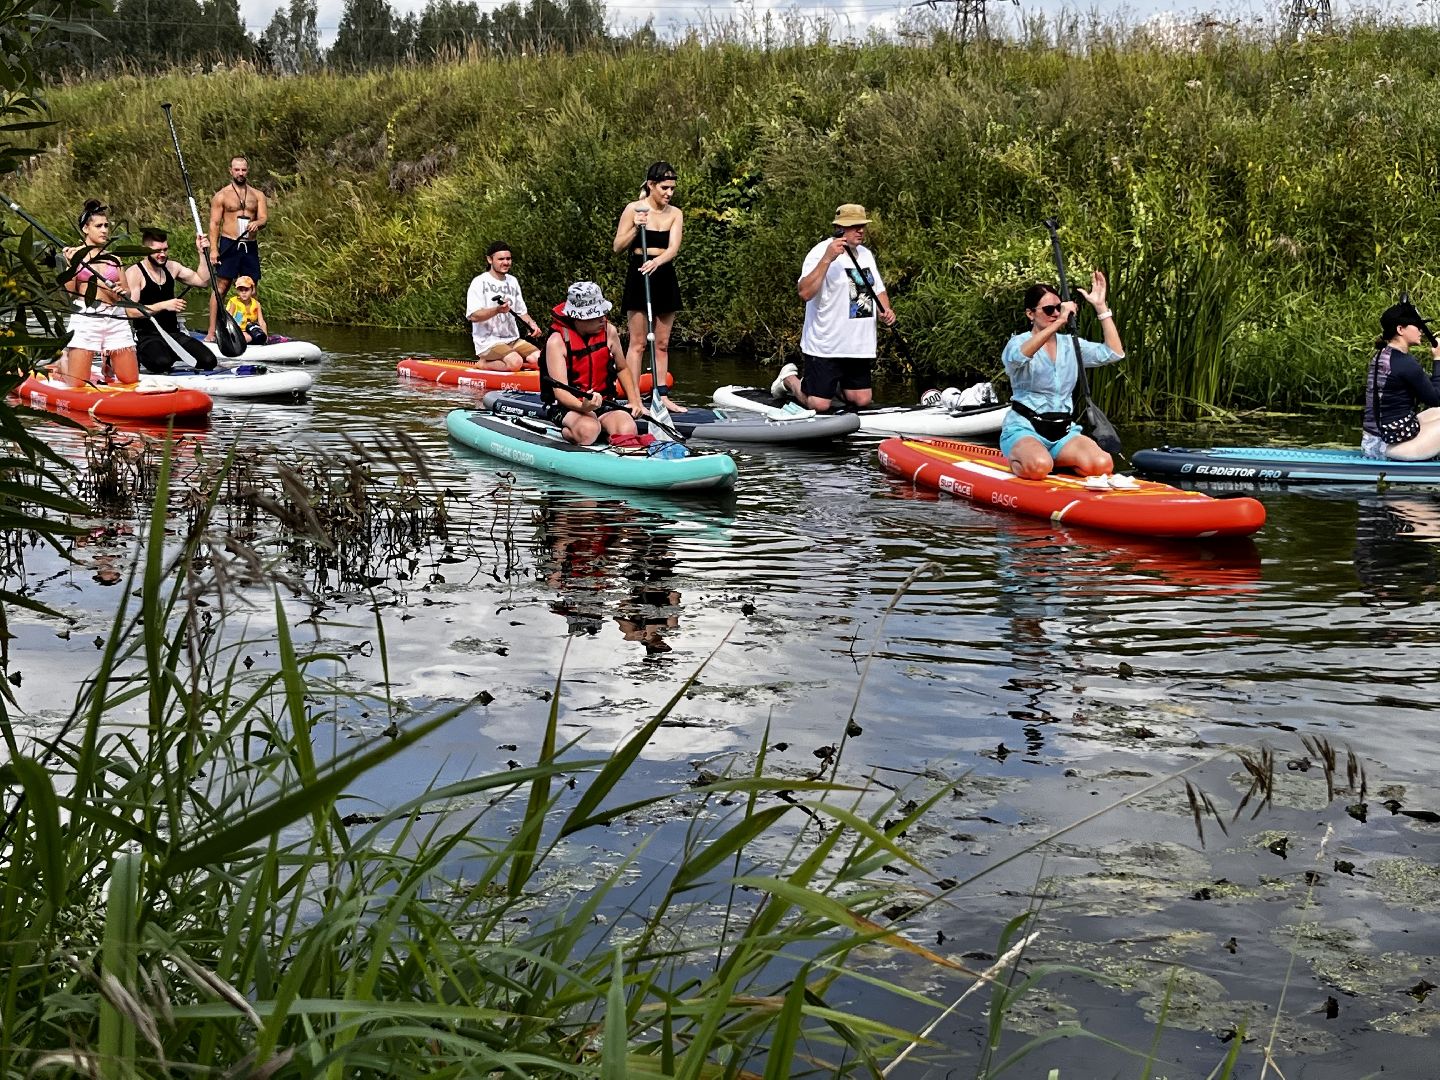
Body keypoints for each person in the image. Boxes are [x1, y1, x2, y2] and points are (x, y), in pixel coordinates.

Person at [999, 278, 1131, 487]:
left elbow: (1114, 353)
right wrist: (1060, 321)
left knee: (1102, 464)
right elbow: (1019, 357)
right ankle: (1023, 461)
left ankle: (1054, 461)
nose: (1055, 313)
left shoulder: (1071, 344)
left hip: (1063, 431)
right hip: (1025, 428)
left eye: (1059, 308)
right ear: (1030, 314)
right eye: (1049, 309)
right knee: (1038, 466)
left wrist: (1101, 307)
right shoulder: (1018, 342)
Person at [772, 203, 897, 412]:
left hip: (858, 345)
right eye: (854, 226)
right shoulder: (820, 253)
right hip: (826, 345)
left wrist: (885, 310)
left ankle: (832, 387)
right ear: (840, 229)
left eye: (862, 225)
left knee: (862, 401)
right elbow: (804, 293)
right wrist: (828, 259)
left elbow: (879, 290)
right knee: (819, 405)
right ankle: (789, 380)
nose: (860, 230)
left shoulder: (866, 254)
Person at [613, 161, 684, 410]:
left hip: (663, 272)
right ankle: (634, 400)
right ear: (651, 185)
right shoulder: (634, 209)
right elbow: (617, 246)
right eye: (664, 188)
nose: (669, 193)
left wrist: (658, 262)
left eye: (672, 189)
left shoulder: (675, 213)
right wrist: (636, 228)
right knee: (639, 342)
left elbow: (673, 247)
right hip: (639, 271)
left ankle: (661, 396)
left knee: (662, 343)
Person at [541, 281, 646, 446]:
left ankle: (603, 429)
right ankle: (571, 432)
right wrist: (583, 407)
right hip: (569, 407)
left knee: (628, 429)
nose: (602, 319)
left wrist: (634, 401)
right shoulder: (557, 341)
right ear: (577, 317)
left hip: (604, 402)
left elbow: (622, 368)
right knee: (588, 432)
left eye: (603, 314)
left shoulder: (609, 331)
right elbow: (560, 392)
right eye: (596, 316)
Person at [56, 199, 139, 387]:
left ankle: (106, 362)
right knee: (77, 383)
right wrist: (71, 265)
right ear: (86, 229)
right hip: (87, 317)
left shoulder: (114, 259)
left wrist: (121, 291)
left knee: (130, 380)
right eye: (99, 226)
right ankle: (63, 362)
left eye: (106, 226)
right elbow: (68, 293)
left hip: (115, 317)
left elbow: (126, 292)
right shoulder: (74, 255)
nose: (104, 230)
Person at [125, 227, 218, 374]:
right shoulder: (135, 273)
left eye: (165, 250)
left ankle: (172, 354)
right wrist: (163, 305)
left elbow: (203, 281)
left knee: (209, 361)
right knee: (162, 363)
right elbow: (130, 312)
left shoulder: (172, 267)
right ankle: (139, 354)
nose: (162, 255)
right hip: (149, 336)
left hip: (173, 334)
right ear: (144, 250)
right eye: (157, 251)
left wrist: (202, 254)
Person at [1361, 300, 1440, 461]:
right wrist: (1438, 359)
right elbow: (1436, 398)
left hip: (1374, 441)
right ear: (1400, 329)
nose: (1421, 331)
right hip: (1391, 447)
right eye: (1417, 326)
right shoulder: (1404, 363)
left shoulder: (1382, 355)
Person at [206, 154, 267, 342]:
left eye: (244, 170)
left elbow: (264, 218)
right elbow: (214, 224)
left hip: (249, 245)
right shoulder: (222, 195)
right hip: (230, 243)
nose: (240, 173)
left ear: (247, 171)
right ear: (230, 171)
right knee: (221, 287)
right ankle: (211, 332)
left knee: (251, 287)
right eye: (237, 170)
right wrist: (214, 250)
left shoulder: (258, 195)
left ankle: (252, 328)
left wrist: (257, 222)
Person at [465, 241, 542, 371]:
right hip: (488, 342)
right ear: (490, 259)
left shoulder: (513, 281)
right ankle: (482, 364)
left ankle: (515, 366)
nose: (506, 262)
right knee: (515, 362)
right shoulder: (479, 282)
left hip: (512, 339)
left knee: (540, 360)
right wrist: (497, 310)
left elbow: (522, 312)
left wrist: (532, 324)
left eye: (508, 259)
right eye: (501, 259)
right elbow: (473, 316)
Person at [224, 276, 268, 344]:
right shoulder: (234, 303)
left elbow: (261, 322)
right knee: (248, 338)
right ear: (237, 291)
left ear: (252, 290)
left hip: (250, 329)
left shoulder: (256, 304)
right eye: (241, 290)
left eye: (246, 290)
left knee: (259, 335)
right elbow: (228, 320)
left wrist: (265, 337)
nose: (243, 292)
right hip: (237, 330)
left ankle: (260, 341)